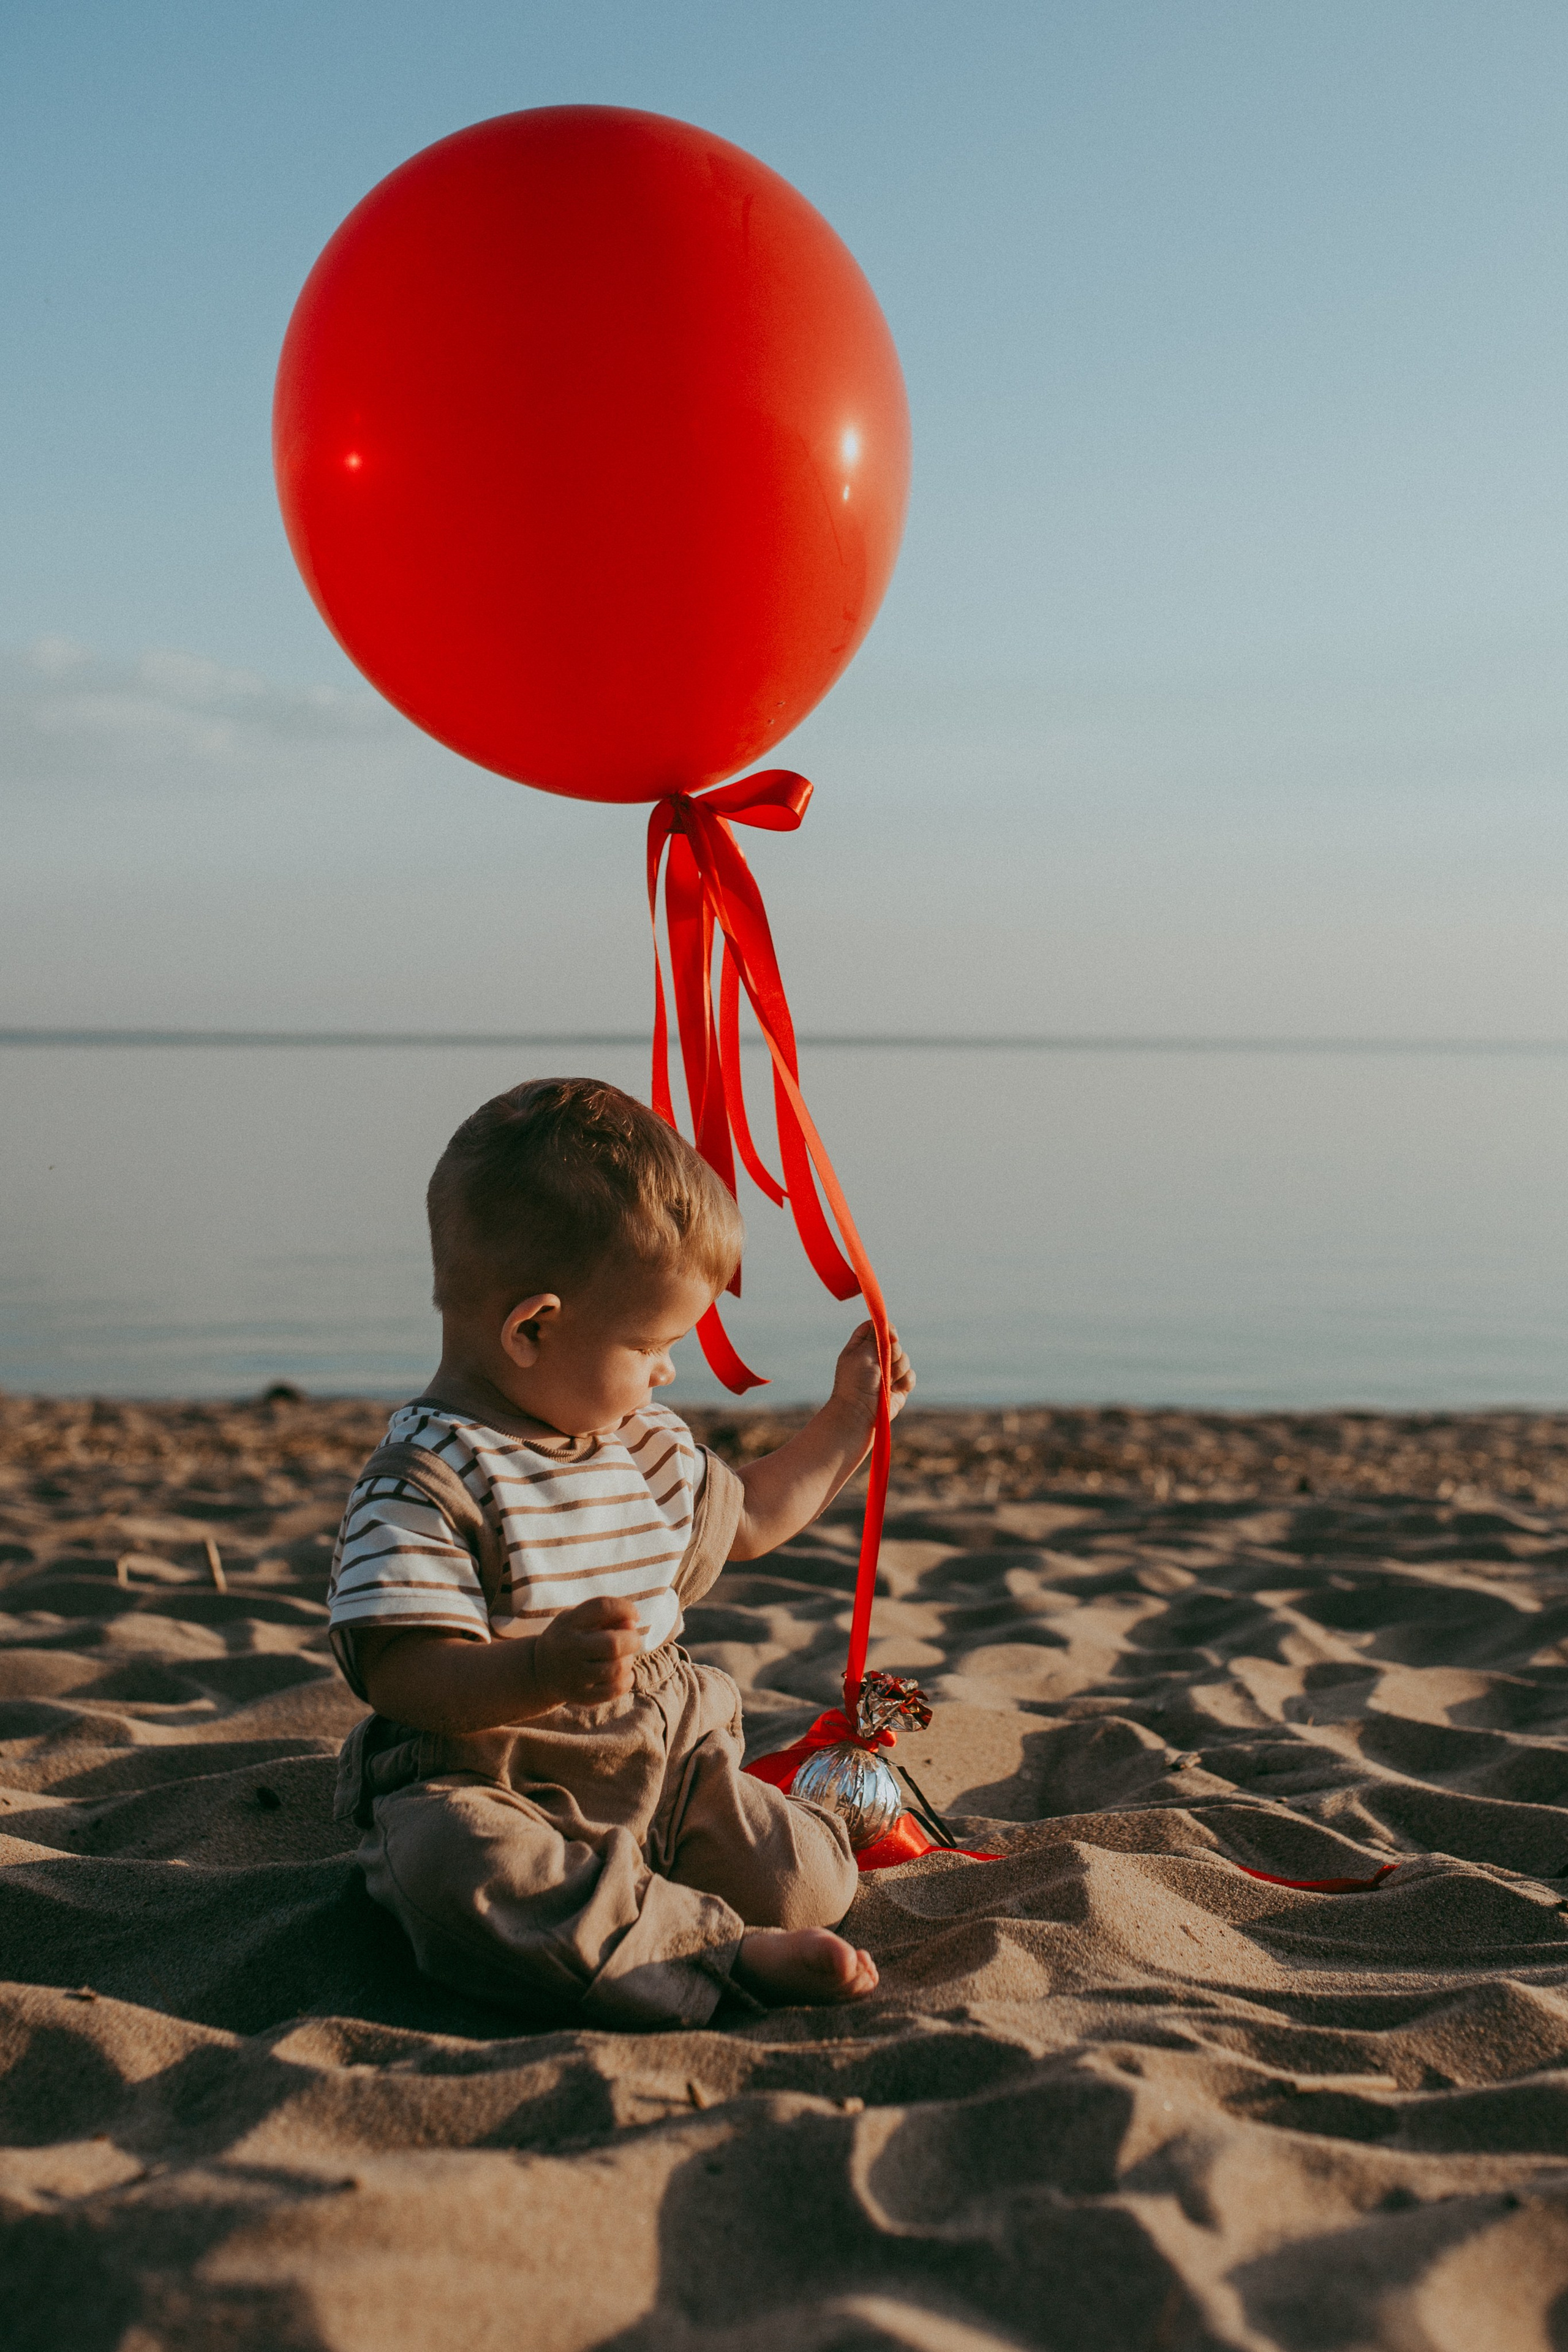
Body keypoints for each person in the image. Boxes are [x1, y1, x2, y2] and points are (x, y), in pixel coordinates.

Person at [328, 1076, 915, 2027]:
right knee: (459, 1868)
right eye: (650, 1345)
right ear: (534, 1328)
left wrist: (852, 1418)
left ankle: (678, 1902)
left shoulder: (641, 1444)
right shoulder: (427, 1480)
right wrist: (537, 1669)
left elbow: (754, 1517)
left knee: (805, 1880)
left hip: (664, 1761)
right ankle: (714, 1952)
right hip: (496, 1775)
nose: (668, 1371)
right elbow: (401, 1673)